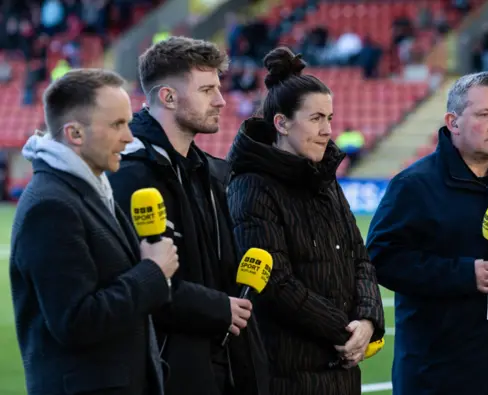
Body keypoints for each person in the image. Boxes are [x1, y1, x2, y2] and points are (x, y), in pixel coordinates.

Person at [366, 71, 488, 395]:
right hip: (436, 374)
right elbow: (380, 257)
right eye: (484, 114)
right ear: (453, 122)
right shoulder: (413, 186)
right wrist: (462, 274)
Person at [107, 36, 269, 395]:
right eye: (207, 89)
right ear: (168, 96)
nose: (221, 100)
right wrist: (217, 307)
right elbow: (138, 281)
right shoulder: (132, 173)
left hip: (220, 364)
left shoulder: (209, 171)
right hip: (168, 369)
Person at [226, 47, 386, 395]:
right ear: (282, 123)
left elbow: (361, 258)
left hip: (341, 372)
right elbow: (274, 282)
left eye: (329, 118)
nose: (328, 130)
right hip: (284, 375)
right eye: (316, 119)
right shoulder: (251, 185)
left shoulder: (325, 181)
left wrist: (369, 320)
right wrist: (345, 330)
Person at [10, 68, 179, 395]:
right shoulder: (51, 206)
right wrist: (153, 272)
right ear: (74, 134)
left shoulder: (90, 189)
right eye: (117, 124)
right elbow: (75, 321)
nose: (130, 137)